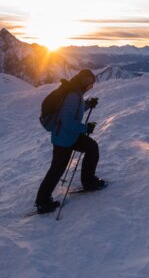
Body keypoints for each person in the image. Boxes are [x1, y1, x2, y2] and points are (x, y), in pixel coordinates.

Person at [34, 69, 106, 214]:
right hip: (64, 138)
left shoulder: (75, 92)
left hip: (69, 136)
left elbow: (73, 111)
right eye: (90, 84)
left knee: (91, 147)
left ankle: (88, 181)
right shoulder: (73, 95)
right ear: (85, 82)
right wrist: (85, 127)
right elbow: (66, 120)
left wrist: (87, 104)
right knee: (57, 169)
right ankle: (42, 202)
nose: (91, 87)